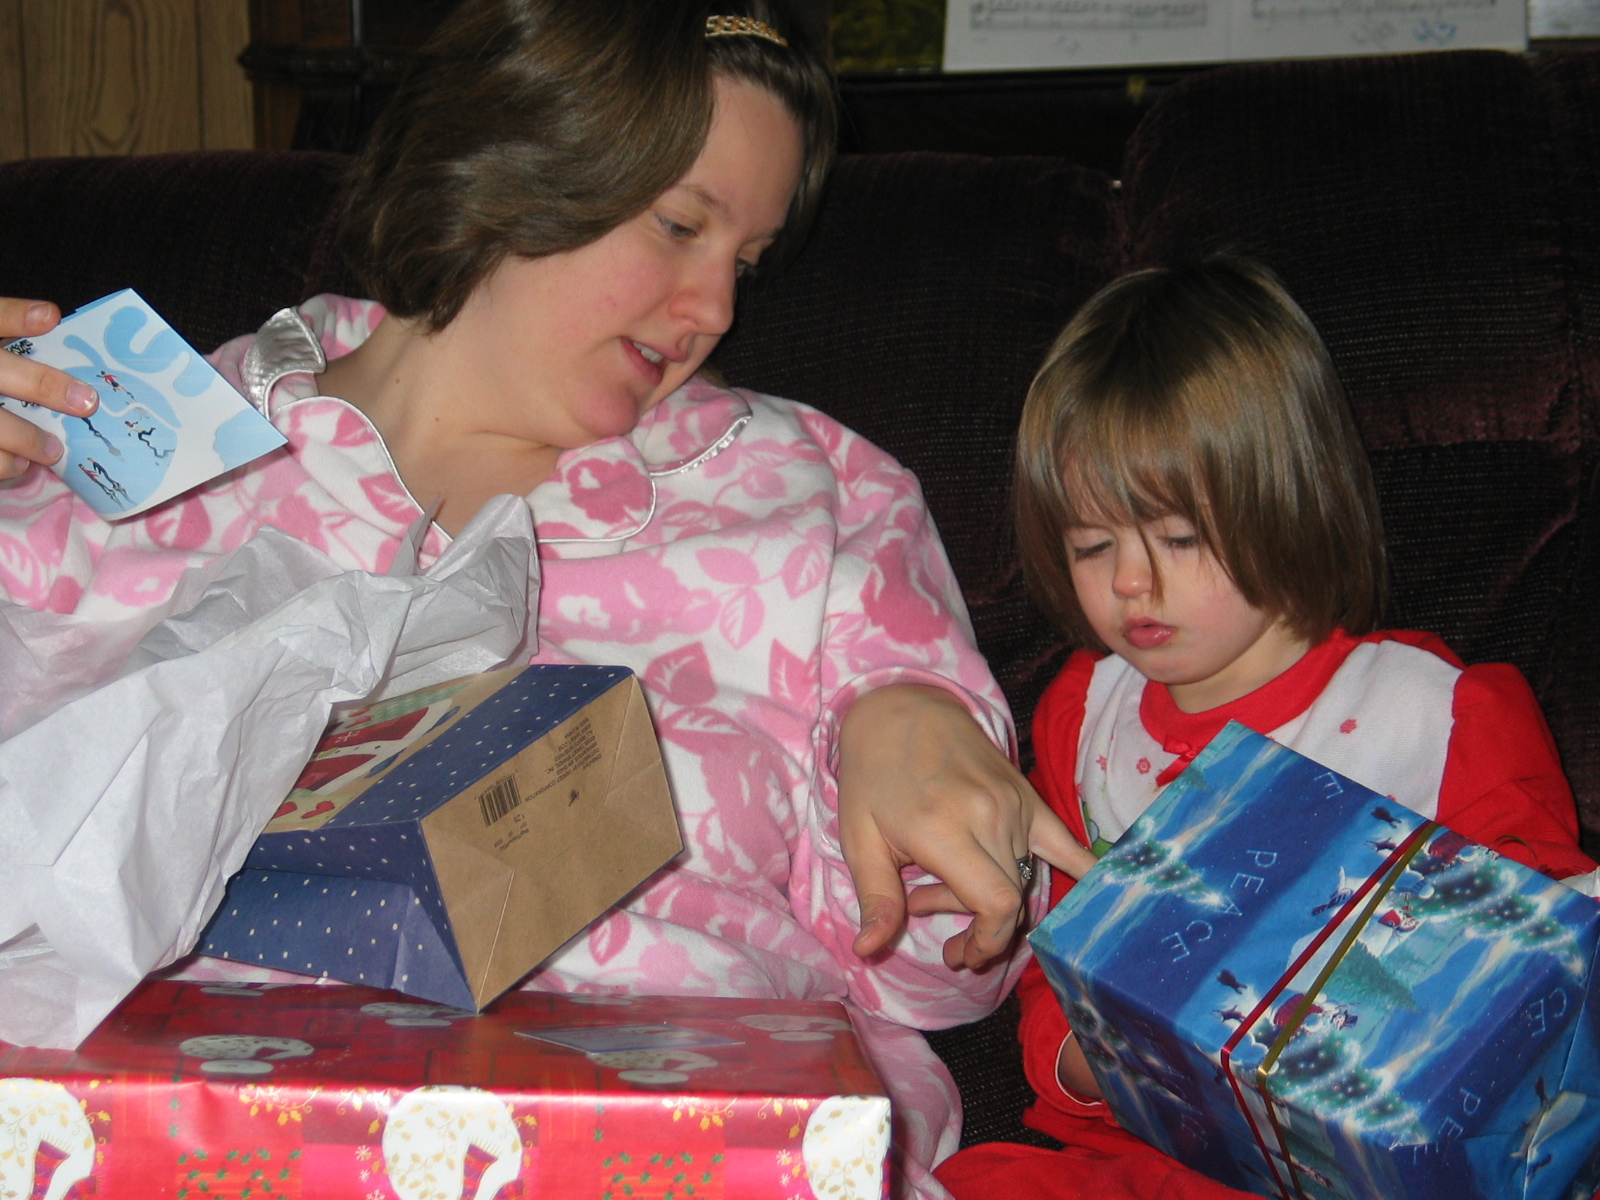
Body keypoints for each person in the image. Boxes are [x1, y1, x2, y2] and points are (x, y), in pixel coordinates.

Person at [0, 2, 1088, 1196]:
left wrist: (915, 741)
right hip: (202, 1132)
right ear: (508, 163)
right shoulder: (139, 433)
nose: (715, 308)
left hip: (671, 1139)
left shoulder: (809, 492)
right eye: (680, 226)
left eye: (744, 261)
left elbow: (930, 981)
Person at [933, 256, 1599, 1200]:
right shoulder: (1085, 716)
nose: (1130, 582)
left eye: (1178, 538)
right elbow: (1056, 955)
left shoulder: (1436, 712)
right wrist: (1088, 1057)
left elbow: (1554, 957)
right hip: (1154, 1150)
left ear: (1290, 499)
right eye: (1092, 545)